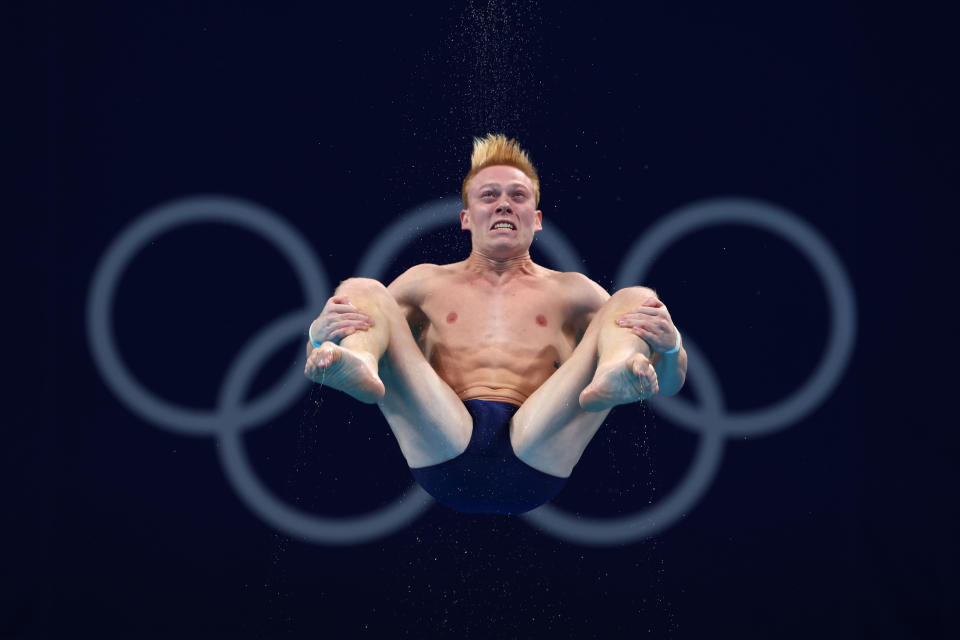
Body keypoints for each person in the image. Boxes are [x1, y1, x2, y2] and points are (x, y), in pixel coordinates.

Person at [304, 134, 687, 514]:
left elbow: (668, 384)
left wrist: (671, 347)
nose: (504, 204)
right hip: (441, 435)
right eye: (489, 196)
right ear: (466, 218)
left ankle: (615, 374)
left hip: (539, 443)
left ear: (536, 220)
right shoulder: (425, 283)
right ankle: (363, 366)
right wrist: (317, 339)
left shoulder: (575, 293)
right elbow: (328, 348)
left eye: (518, 196)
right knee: (362, 289)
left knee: (635, 297)